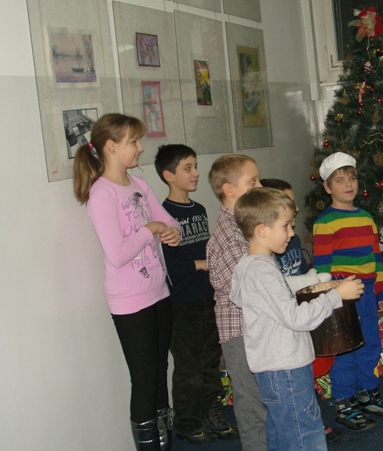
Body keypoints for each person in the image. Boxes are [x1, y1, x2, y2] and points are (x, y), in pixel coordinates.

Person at [73, 114, 182, 451]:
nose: (140, 148)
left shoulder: (138, 184)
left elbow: (168, 220)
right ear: (111, 147)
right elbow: (118, 254)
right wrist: (150, 230)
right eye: (133, 141)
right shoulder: (101, 194)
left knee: (160, 369)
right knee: (144, 377)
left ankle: (165, 443)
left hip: (158, 292)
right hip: (130, 301)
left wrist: (172, 231)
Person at [230, 187, 365, 451]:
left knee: (283, 435)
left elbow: (276, 293)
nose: (291, 233)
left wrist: (313, 281)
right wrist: (336, 296)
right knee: (306, 437)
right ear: (262, 230)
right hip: (286, 370)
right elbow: (296, 318)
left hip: (276, 370)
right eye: (286, 226)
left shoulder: (253, 266)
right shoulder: (260, 271)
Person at [153, 144, 239, 444]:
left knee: (210, 360)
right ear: (168, 175)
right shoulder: (163, 214)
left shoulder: (200, 210)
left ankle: (210, 411)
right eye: (187, 168)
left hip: (207, 296)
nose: (195, 173)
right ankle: (187, 422)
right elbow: (168, 265)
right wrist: (201, 264)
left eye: (195, 166)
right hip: (181, 303)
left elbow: (209, 249)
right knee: (189, 366)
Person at [312, 152, 383, 432]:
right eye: (339, 180)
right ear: (327, 187)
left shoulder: (366, 218)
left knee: (370, 344)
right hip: (342, 297)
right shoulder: (326, 222)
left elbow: (376, 259)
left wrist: (381, 293)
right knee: (345, 350)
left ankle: (367, 393)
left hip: (367, 295)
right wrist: (330, 298)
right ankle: (344, 402)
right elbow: (321, 268)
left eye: (351, 178)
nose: (348, 184)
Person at [260, 178, 342, 444]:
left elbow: (302, 276)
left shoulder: (290, 241)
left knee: (298, 396)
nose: (294, 209)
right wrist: (334, 295)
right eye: (288, 204)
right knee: (298, 422)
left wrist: (318, 282)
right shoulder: (264, 261)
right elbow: (283, 292)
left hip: (297, 335)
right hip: (283, 348)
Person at [205, 154, 267, 450]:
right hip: (240, 330)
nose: (260, 186)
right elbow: (243, 290)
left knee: (261, 394)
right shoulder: (230, 234)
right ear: (229, 190)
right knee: (251, 398)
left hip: (253, 326)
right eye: (253, 181)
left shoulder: (243, 225)